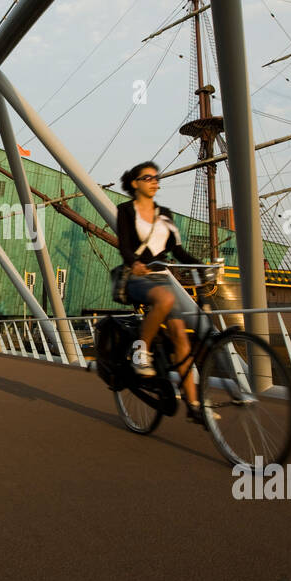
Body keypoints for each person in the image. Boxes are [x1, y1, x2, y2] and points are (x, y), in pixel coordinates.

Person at [116, 161, 202, 419]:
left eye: (157, 178)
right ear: (135, 183)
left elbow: (176, 249)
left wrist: (201, 265)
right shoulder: (125, 211)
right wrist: (135, 263)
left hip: (163, 278)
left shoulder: (164, 212)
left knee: (180, 335)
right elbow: (125, 246)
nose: (155, 182)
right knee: (164, 300)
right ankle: (142, 350)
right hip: (137, 277)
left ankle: (194, 405)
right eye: (148, 177)